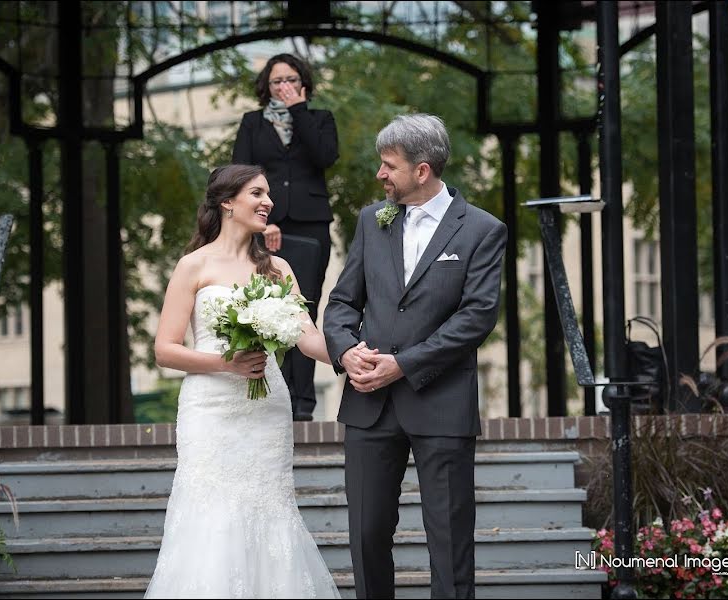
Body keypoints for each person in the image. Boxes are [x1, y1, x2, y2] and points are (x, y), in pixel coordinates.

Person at [323, 114, 508, 599]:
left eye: (389, 166)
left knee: (449, 543)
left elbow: (476, 318)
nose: (380, 175)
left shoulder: (483, 230)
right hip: (368, 406)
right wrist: (346, 352)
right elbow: (343, 302)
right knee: (365, 537)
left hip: (441, 404)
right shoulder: (371, 220)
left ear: (421, 170)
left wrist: (403, 364)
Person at [145, 164, 340, 599]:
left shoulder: (278, 269)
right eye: (257, 192)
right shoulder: (193, 266)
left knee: (270, 509)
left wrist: (351, 354)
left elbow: (307, 338)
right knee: (209, 513)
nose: (267, 201)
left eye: (268, 192)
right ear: (227, 202)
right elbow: (164, 349)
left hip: (266, 407)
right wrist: (226, 364)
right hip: (210, 410)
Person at [232, 52, 339, 421]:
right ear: (267, 86)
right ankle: (268, 397)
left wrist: (299, 111)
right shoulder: (251, 123)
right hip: (266, 223)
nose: (284, 86)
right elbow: (241, 173)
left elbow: (325, 156)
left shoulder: (320, 119)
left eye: (291, 79)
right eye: (277, 81)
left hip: (311, 224)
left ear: (303, 83)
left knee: (304, 310)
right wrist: (264, 219)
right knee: (264, 309)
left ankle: (303, 405)